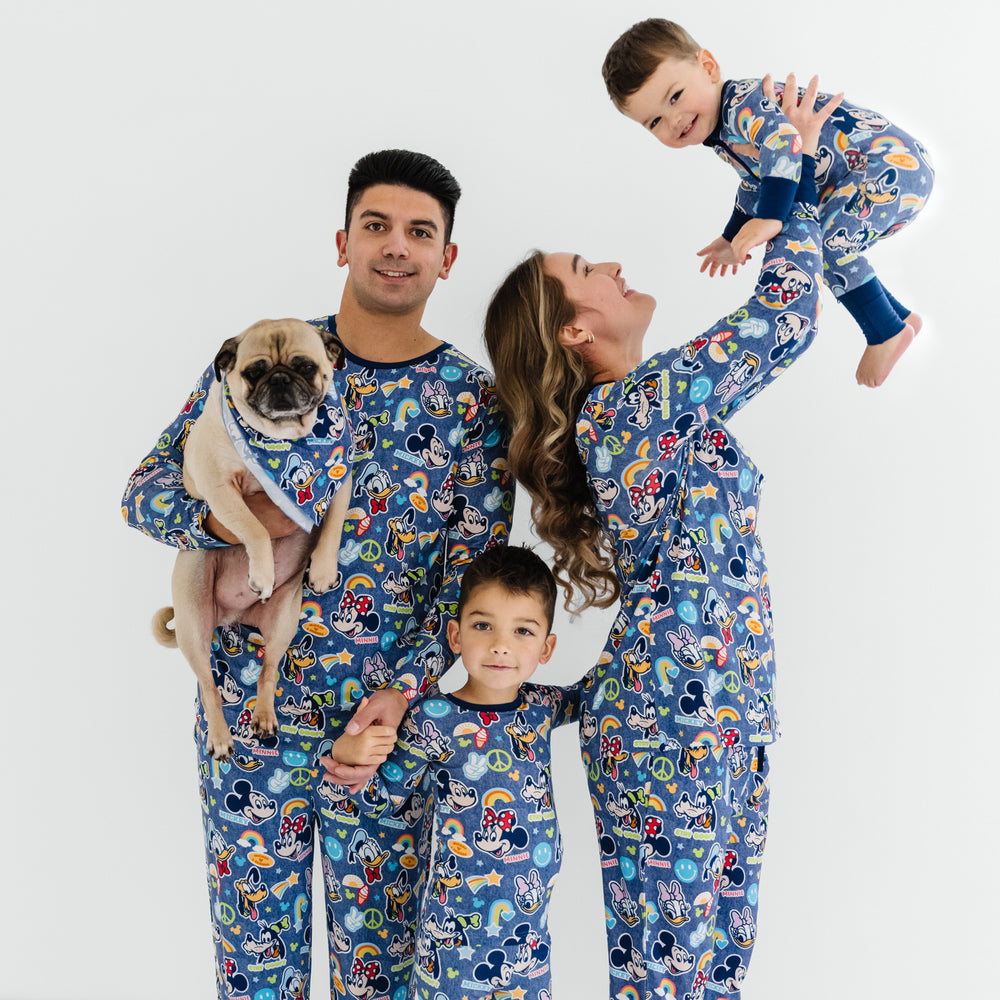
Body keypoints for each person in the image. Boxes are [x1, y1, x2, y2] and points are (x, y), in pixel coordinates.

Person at [121, 149, 514, 999]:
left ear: (448, 258)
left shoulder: (471, 402)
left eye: (421, 232)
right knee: (254, 976)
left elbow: (473, 581)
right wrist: (237, 524)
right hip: (250, 725)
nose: (396, 246)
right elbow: (146, 492)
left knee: (381, 976)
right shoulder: (265, 352)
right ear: (343, 241)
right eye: (376, 225)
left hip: (381, 736)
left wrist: (404, 690)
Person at [482, 80, 836, 1000]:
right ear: (575, 327)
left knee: (702, 976)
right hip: (677, 725)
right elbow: (785, 322)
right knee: (677, 977)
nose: (613, 268)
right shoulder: (644, 404)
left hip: (719, 712)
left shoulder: (638, 411)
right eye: (589, 269)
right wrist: (786, 172)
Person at [602, 17, 934, 388]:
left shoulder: (744, 104)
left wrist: (771, 218)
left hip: (887, 167)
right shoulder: (724, 130)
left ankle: (884, 330)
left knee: (822, 241)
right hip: (868, 175)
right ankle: (898, 319)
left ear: (708, 67)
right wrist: (732, 235)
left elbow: (785, 146)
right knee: (819, 242)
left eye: (675, 96)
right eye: (654, 122)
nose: (674, 119)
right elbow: (755, 181)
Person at [329, 545, 580, 1000]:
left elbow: (604, 692)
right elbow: (381, 799)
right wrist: (350, 755)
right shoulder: (433, 718)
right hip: (449, 934)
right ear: (456, 634)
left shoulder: (544, 707)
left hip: (529, 935)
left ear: (547, 648)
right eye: (483, 626)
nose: (501, 645)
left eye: (523, 631)